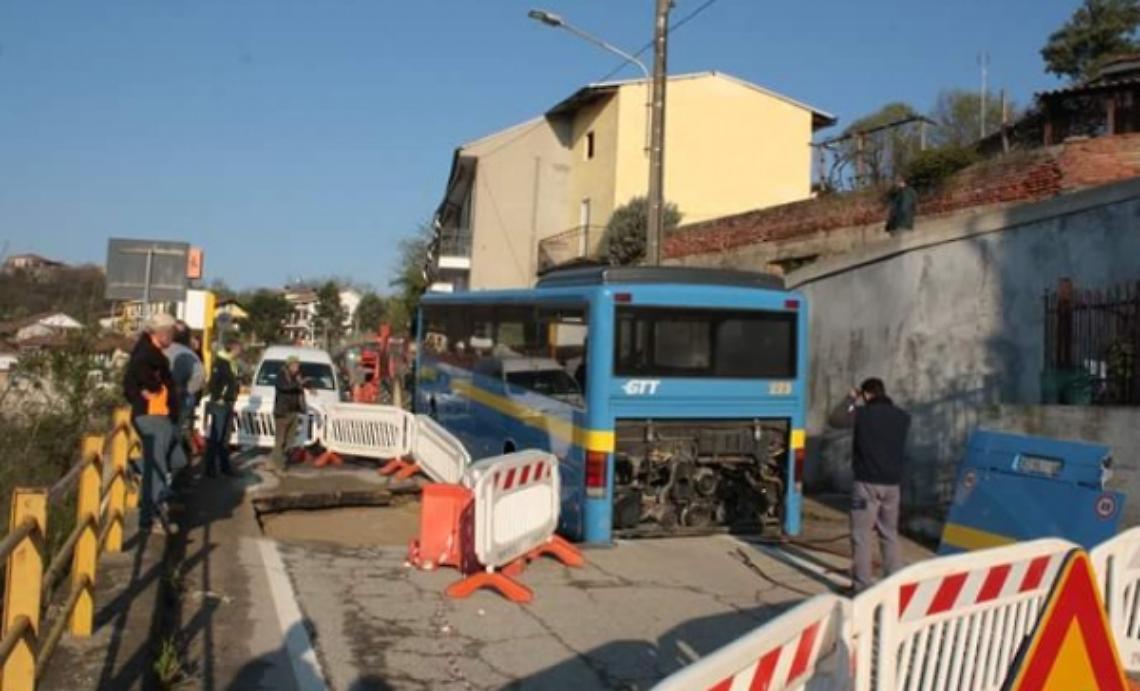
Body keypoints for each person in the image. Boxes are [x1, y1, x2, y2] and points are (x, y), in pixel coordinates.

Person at [829, 377, 911, 593]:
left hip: (866, 484)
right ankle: (893, 584)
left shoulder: (862, 414)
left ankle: (862, 586)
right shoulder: (902, 417)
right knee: (889, 534)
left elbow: (835, 419)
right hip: (893, 485)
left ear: (866, 395)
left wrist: (850, 398)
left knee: (861, 535)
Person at [123, 313, 180, 534]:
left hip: (161, 416)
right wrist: (153, 389)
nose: (173, 337)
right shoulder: (147, 354)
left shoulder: (150, 352)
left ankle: (133, 466)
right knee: (157, 470)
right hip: (152, 416)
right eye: (172, 332)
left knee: (177, 459)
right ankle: (152, 518)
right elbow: (134, 378)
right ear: (161, 333)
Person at [165, 320, 205, 477]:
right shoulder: (190, 355)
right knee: (176, 438)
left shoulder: (160, 349)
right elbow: (200, 377)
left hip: (154, 406)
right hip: (179, 404)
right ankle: (174, 478)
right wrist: (186, 392)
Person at [204, 339, 242, 477]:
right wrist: (219, 396)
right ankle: (210, 468)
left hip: (229, 402)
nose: (240, 352)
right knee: (216, 436)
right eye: (238, 349)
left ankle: (225, 466)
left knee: (225, 437)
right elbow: (213, 383)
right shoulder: (220, 363)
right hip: (220, 403)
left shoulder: (232, 363)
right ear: (232, 348)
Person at [271, 356, 306, 473]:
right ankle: (278, 464)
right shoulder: (281, 375)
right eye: (295, 365)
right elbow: (283, 387)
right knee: (280, 440)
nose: (297, 368)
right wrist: (297, 384)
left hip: (293, 411)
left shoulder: (296, 377)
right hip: (283, 412)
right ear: (289, 365)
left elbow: (300, 390)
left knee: (290, 441)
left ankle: (281, 461)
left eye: (298, 365)